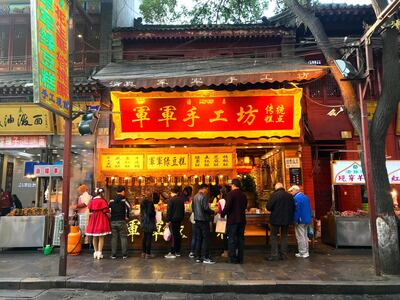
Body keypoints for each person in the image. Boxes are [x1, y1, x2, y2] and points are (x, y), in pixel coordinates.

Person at [266, 182, 294, 261]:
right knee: (284, 236)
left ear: (276, 188)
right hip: (286, 219)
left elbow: (268, 207)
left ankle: (274, 255)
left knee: (274, 236)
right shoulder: (289, 196)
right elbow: (293, 207)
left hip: (275, 219)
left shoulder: (274, 195)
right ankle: (284, 255)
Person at [221, 179, 247, 264]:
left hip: (233, 220)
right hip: (242, 220)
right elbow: (245, 206)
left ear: (233, 185)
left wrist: (222, 213)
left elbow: (228, 206)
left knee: (231, 239)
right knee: (240, 239)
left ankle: (232, 258)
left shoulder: (231, 194)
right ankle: (240, 258)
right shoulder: (243, 195)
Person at [192, 184, 215, 264]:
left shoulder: (194, 197)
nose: (207, 191)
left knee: (199, 238)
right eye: (207, 189)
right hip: (204, 220)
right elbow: (206, 208)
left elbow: (192, 208)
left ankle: (198, 257)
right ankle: (206, 257)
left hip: (197, 220)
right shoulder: (204, 197)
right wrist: (213, 212)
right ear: (204, 188)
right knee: (206, 239)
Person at [86, 188, 111, 259]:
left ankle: (95, 252)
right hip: (101, 218)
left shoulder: (92, 201)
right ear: (101, 193)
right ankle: (100, 253)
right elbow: (106, 210)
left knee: (94, 236)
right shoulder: (102, 201)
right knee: (101, 236)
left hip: (93, 218)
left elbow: (89, 209)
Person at [289, 185, 312, 258]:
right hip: (307, 219)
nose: (291, 192)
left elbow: (297, 211)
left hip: (300, 220)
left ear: (296, 190)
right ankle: (306, 251)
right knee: (305, 236)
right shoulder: (305, 197)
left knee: (300, 236)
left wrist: (295, 220)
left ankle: (303, 252)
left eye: (291, 191)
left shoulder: (296, 198)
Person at [109, 186, 131, 259]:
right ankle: (124, 254)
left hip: (113, 221)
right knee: (123, 237)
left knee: (114, 237)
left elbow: (108, 210)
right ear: (123, 191)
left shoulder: (111, 200)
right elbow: (129, 208)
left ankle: (113, 254)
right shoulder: (124, 200)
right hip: (121, 220)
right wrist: (127, 216)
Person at [165, 186, 185, 258]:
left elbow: (169, 211)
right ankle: (177, 251)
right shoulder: (181, 200)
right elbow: (183, 211)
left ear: (171, 192)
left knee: (173, 236)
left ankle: (172, 252)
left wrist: (167, 221)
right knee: (177, 235)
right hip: (179, 219)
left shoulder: (171, 200)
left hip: (173, 220)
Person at [217, 185, 230, 258]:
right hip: (231, 220)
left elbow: (219, 211)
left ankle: (225, 252)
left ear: (221, 193)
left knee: (225, 237)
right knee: (231, 236)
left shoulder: (221, 201)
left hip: (223, 220)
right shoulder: (231, 199)